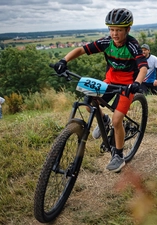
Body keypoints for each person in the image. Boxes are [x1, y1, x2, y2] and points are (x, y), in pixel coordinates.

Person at [53, 8, 148, 173]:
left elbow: (143, 67)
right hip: (110, 81)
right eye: (111, 29)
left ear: (128, 30)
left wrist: (137, 83)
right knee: (89, 101)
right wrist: (64, 60)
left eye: (119, 30)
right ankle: (104, 121)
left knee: (117, 120)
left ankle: (118, 155)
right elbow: (82, 49)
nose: (114, 33)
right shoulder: (106, 42)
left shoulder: (132, 45)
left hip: (127, 85)